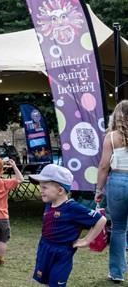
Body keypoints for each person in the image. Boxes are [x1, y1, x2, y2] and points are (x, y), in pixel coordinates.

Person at [31, 164, 106, 287]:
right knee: (46, 281)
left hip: (62, 252)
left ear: (60, 190)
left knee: (56, 283)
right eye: (40, 187)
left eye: (44, 187)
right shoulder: (49, 203)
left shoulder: (73, 208)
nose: (41, 190)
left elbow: (101, 220)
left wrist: (87, 240)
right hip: (45, 248)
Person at [96, 100, 128, 283]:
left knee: (119, 229)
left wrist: (98, 189)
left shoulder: (112, 137)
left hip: (118, 181)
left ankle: (116, 272)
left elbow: (103, 166)